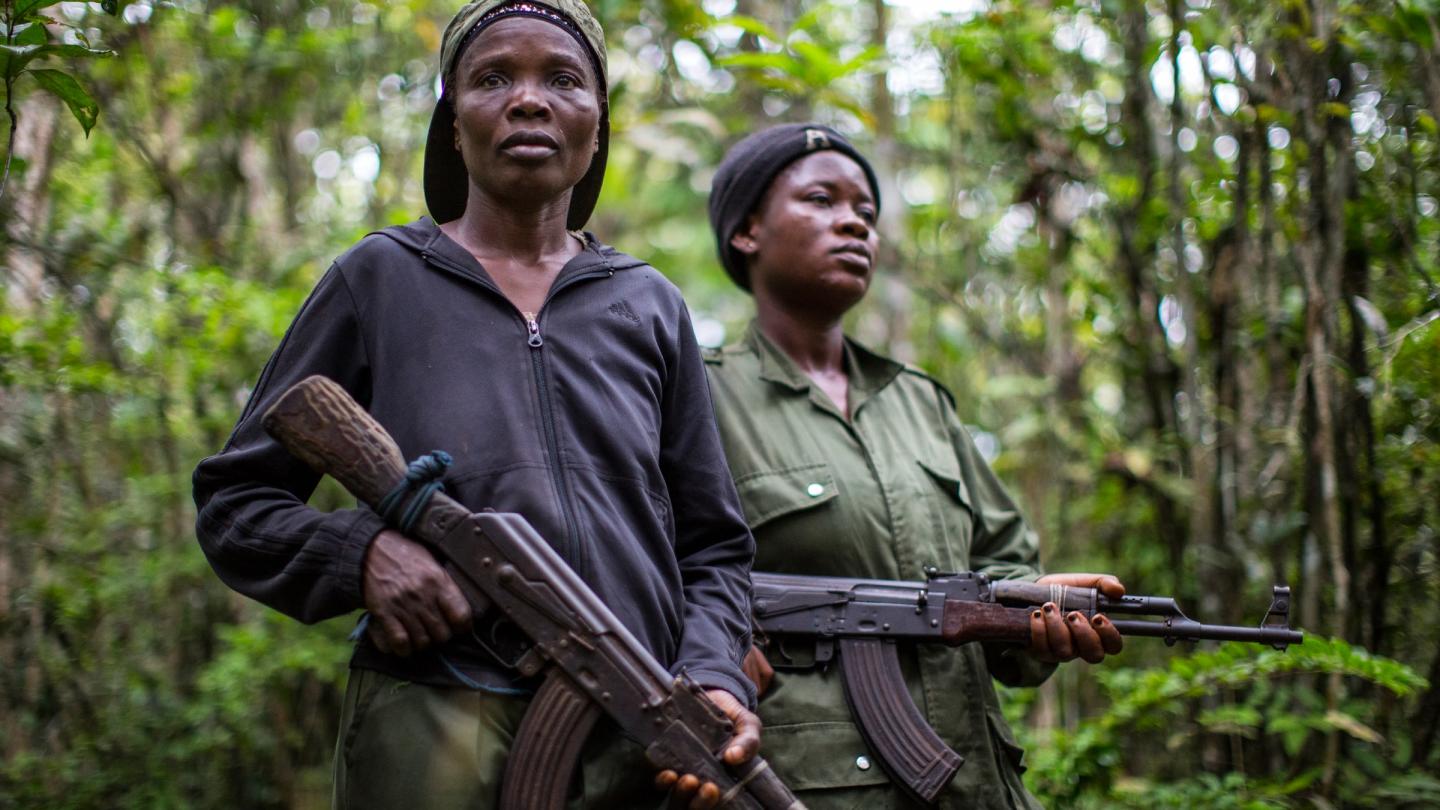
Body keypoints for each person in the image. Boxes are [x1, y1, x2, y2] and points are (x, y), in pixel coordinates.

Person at [192, 3, 759, 807]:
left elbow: (714, 547)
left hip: (637, 730)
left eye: (563, 79)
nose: (529, 100)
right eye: (493, 78)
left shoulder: (651, 304)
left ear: (598, 127)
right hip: (432, 716)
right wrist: (363, 556)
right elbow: (235, 504)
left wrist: (711, 675)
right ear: (453, 125)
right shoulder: (378, 278)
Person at [702, 123, 1126, 809]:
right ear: (747, 232)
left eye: (866, 213)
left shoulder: (921, 403)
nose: (854, 224)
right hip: (811, 787)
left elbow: (1002, 566)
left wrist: (1036, 614)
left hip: (978, 783)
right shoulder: (701, 397)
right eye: (821, 200)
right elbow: (653, 579)